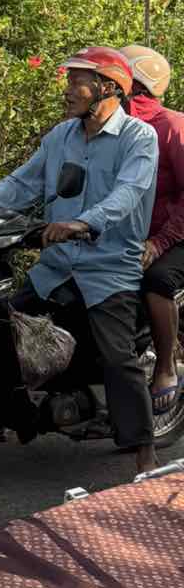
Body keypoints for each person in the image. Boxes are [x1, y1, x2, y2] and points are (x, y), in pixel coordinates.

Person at [0, 45, 158, 476]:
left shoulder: (138, 138)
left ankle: (144, 451)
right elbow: (20, 184)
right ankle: (11, 416)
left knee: (118, 357)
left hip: (109, 267)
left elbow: (128, 193)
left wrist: (83, 222)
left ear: (107, 87)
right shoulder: (61, 137)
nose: (68, 90)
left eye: (77, 82)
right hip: (57, 266)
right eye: (68, 81)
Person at [120, 44, 184, 412]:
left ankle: (165, 366)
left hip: (175, 235)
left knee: (157, 280)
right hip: (133, 235)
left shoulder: (172, 126)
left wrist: (160, 242)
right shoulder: (110, 126)